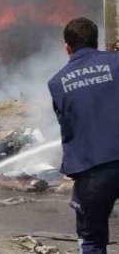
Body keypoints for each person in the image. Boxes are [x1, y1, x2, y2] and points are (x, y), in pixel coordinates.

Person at [48, 18, 119, 254]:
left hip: (92, 170)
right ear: (96, 41)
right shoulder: (116, 62)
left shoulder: (57, 83)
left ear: (67, 47)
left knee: (92, 240)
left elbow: (68, 126)